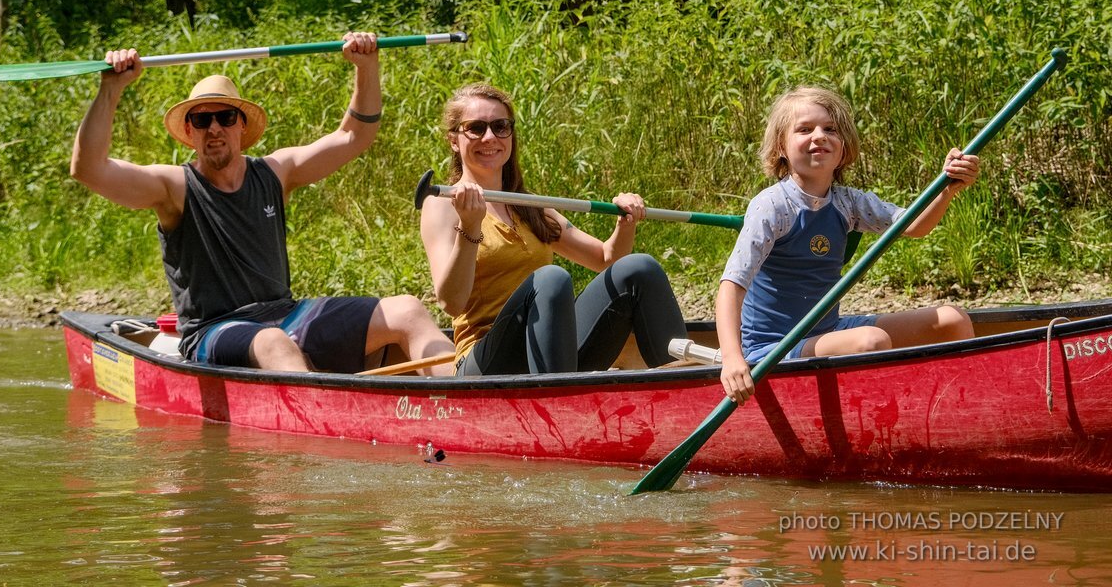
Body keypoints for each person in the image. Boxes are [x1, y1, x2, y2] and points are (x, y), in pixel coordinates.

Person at [70, 32, 454, 375]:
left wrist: (366, 66)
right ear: (190, 132)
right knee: (273, 342)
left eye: (224, 117)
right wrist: (111, 88)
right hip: (213, 330)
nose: (214, 128)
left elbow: (354, 137)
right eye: (202, 120)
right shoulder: (173, 187)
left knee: (407, 309)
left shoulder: (276, 172)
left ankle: (465, 397)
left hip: (286, 315)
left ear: (241, 126)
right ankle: (312, 432)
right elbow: (89, 169)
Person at [717, 86, 978, 404]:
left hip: (829, 329)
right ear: (781, 147)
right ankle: (887, 413)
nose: (819, 136)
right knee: (871, 341)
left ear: (843, 148)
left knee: (953, 320)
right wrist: (732, 359)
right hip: (774, 348)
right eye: (804, 129)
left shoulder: (846, 202)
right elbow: (731, 286)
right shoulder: (772, 206)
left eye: (830, 129)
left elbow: (914, 225)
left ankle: (960, 404)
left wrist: (948, 187)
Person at [419, 82, 687, 376]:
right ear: (454, 140)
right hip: (484, 364)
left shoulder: (528, 205)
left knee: (639, 269)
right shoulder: (443, 204)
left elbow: (606, 259)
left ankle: (681, 382)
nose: (490, 137)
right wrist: (470, 226)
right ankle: (557, 401)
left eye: (500, 126)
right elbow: (451, 302)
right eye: (476, 128)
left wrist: (626, 224)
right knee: (550, 279)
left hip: (551, 352)